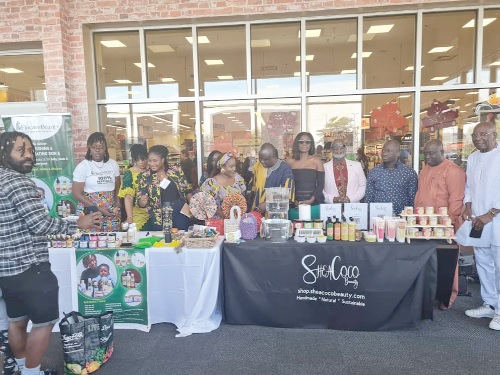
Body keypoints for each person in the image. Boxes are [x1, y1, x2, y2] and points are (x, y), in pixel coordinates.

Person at [0, 131, 100, 375]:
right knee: (44, 323)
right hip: (31, 267)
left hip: (7, 270)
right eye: (20, 150)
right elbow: (41, 225)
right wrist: (79, 223)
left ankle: (22, 368)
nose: (29, 155)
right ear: (4, 154)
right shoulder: (18, 182)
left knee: (17, 320)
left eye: (31, 150)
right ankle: (32, 372)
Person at [414, 139, 466, 310]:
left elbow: (456, 200)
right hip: (424, 222)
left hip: (444, 225)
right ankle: (429, 294)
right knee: (428, 260)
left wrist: (448, 224)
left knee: (448, 262)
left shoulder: (453, 171)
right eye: (425, 153)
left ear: (442, 152)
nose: (427, 157)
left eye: (432, 153)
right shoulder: (425, 169)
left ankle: (448, 296)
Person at [462, 121, 500, 330]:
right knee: (484, 263)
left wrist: (491, 213)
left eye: (483, 134)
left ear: (494, 135)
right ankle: (490, 303)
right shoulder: (473, 157)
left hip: (496, 220)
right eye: (475, 135)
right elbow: (469, 186)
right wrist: (467, 206)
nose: (478, 139)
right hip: (477, 220)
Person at [72, 132, 121, 232]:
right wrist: (97, 208)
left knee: (113, 241)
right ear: (89, 148)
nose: (98, 151)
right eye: (95, 147)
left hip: (110, 211)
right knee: (92, 242)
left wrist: (117, 205)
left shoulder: (113, 164)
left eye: (101, 147)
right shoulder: (83, 166)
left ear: (105, 148)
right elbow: (76, 193)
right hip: (90, 211)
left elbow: (118, 187)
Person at [137, 145, 192, 231]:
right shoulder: (145, 176)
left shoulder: (176, 171)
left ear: (163, 160)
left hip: (180, 211)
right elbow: (140, 199)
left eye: (155, 160)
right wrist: (141, 202)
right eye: (150, 161)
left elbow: (187, 189)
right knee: (162, 240)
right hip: (159, 215)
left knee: (181, 237)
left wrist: (193, 204)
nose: (151, 163)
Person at [365, 139, 418, 216]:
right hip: (379, 220)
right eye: (383, 151)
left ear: (398, 153)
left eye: (389, 151)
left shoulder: (409, 173)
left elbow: (413, 198)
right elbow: (369, 197)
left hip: (401, 220)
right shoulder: (374, 172)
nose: (384, 154)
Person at [287, 132, 325, 220]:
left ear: (311, 144)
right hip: (294, 206)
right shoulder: (289, 161)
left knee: (313, 231)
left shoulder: (317, 161)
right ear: (297, 143)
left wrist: (311, 200)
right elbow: (287, 184)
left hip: (313, 205)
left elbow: (320, 185)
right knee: (294, 231)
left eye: (307, 142)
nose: (304, 144)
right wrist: (292, 200)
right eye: (301, 142)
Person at [248, 143, 295, 214]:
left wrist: (267, 203)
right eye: (260, 159)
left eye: (265, 159)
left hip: (276, 215)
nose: (262, 162)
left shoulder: (285, 169)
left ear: (273, 156)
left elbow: (287, 194)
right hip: (256, 214)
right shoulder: (258, 166)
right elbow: (252, 188)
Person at [200, 152, 246, 218]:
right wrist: (221, 213)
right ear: (222, 167)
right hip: (218, 222)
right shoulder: (211, 183)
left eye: (235, 166)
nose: (234, 169)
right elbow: (205, 203)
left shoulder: (238, 180)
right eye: (231, 166)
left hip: (237, 220)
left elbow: (243, 199)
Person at [323, 139, 366, 204]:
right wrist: (332, 199)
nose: (338, 150)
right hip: (331, 209)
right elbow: (320, 189)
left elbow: (363, 185)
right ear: (331, 150)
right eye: (335, 148)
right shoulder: (324, 167)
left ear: (345, 149)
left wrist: (350, 199)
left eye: (341, 147)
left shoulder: (357, 166)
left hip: (353, 208)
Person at [118, 144, 149, 230]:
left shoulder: (152, 170)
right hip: (138, 215)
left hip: (154, 215)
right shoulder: (129, 173)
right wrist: (130, 217)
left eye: (144, 159)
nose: (141, 162)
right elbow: (128, 197)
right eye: (138, 159)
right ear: (134, 159)